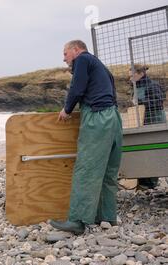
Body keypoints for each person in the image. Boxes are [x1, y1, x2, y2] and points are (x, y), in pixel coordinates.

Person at [49, 40, 123, 235]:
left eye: (65, 53)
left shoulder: (82, 60)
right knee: (108, 170)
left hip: (97, 118)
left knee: (87, 169)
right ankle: (107, 217)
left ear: (76, 50)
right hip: (113, 117)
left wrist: (67, 109)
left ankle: (77, 221)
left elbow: (78, 87)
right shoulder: (99, 65)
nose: (64, 58)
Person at [129, 64, 167, 190]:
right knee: (143, 150)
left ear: (140, 74)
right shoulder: (136, 86)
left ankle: (152, 182)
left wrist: (140, 103)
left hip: (155, 121)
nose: (130, 78)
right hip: (142, 121)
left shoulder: (152, 85)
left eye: (132, 74)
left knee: (156, 150)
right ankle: (145, 181)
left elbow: (158, 102)